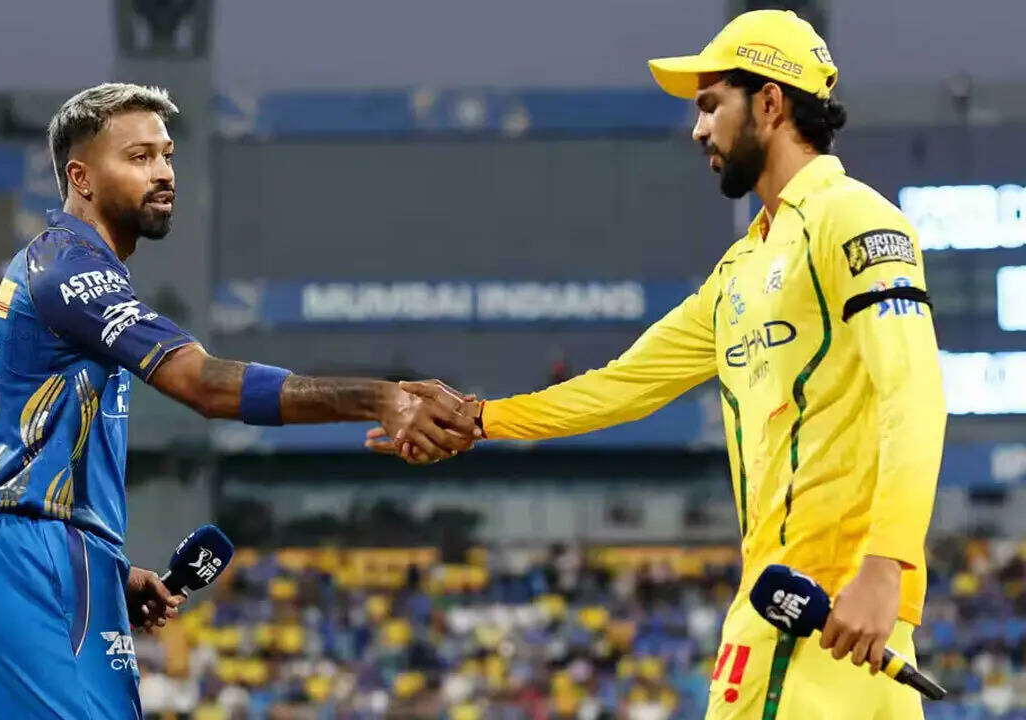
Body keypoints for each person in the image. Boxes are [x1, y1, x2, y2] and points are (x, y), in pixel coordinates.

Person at [371, 10, 943, 719]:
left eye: (711, 105)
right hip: (814, 616)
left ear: (770, 102)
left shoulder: (854, 219)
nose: (698, 130)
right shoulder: (740, 269)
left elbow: (914, 395)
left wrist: (887, 567)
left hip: (816, 614)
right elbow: (623, 386)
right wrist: (480, 418)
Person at [0, 83, 478, 719]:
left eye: (166, 155)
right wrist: (381, 399)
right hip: (35, 559)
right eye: (139, 157)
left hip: (49, 556)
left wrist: (110, 568)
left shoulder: (65, 267)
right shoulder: (68, 270)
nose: (164, 172)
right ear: (81, 177)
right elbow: (203, 384)